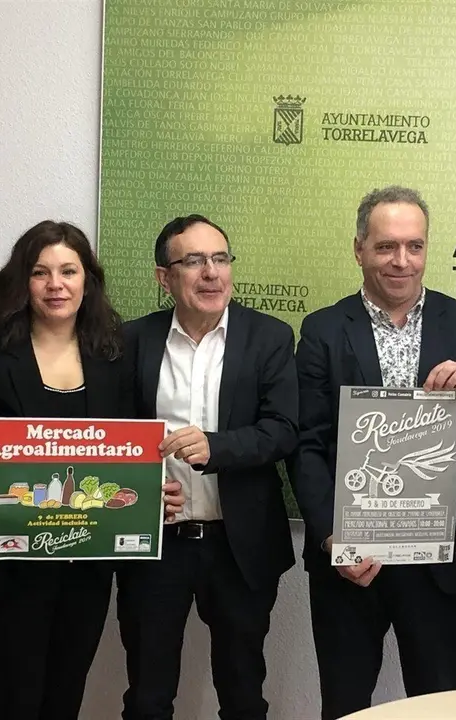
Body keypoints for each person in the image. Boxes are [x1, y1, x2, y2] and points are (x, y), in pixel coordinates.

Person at [289, 186, 456, 719]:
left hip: (441, 562)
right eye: (386, 246)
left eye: (414, 246)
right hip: (353, 557)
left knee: (438, 706)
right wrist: (331, 538)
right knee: (345, 705)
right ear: (359, 249)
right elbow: (307, 444)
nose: (402, 260)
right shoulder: (323, 330)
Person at [0, 221, 184, 720]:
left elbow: (129, 457)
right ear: (22, 282)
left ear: (87, 281)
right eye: (40, 272)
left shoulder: (114, 361)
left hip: (85, 569)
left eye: (69, 271)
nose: (56, 285)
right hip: (5, 572)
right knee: (11, 701)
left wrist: (154, 494)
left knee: (64, 698)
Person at [116, 214, 298, 720]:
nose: (212, 272)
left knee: (243, 695)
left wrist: (216, 447)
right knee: (148, 697)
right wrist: (143, 489)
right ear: (164, 277)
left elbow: (284, 429)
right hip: (157, 545)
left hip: (238, 547)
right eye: (194, 261)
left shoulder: (269, 337)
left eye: (220, 258)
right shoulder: (132, 341)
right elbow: (114, 438)